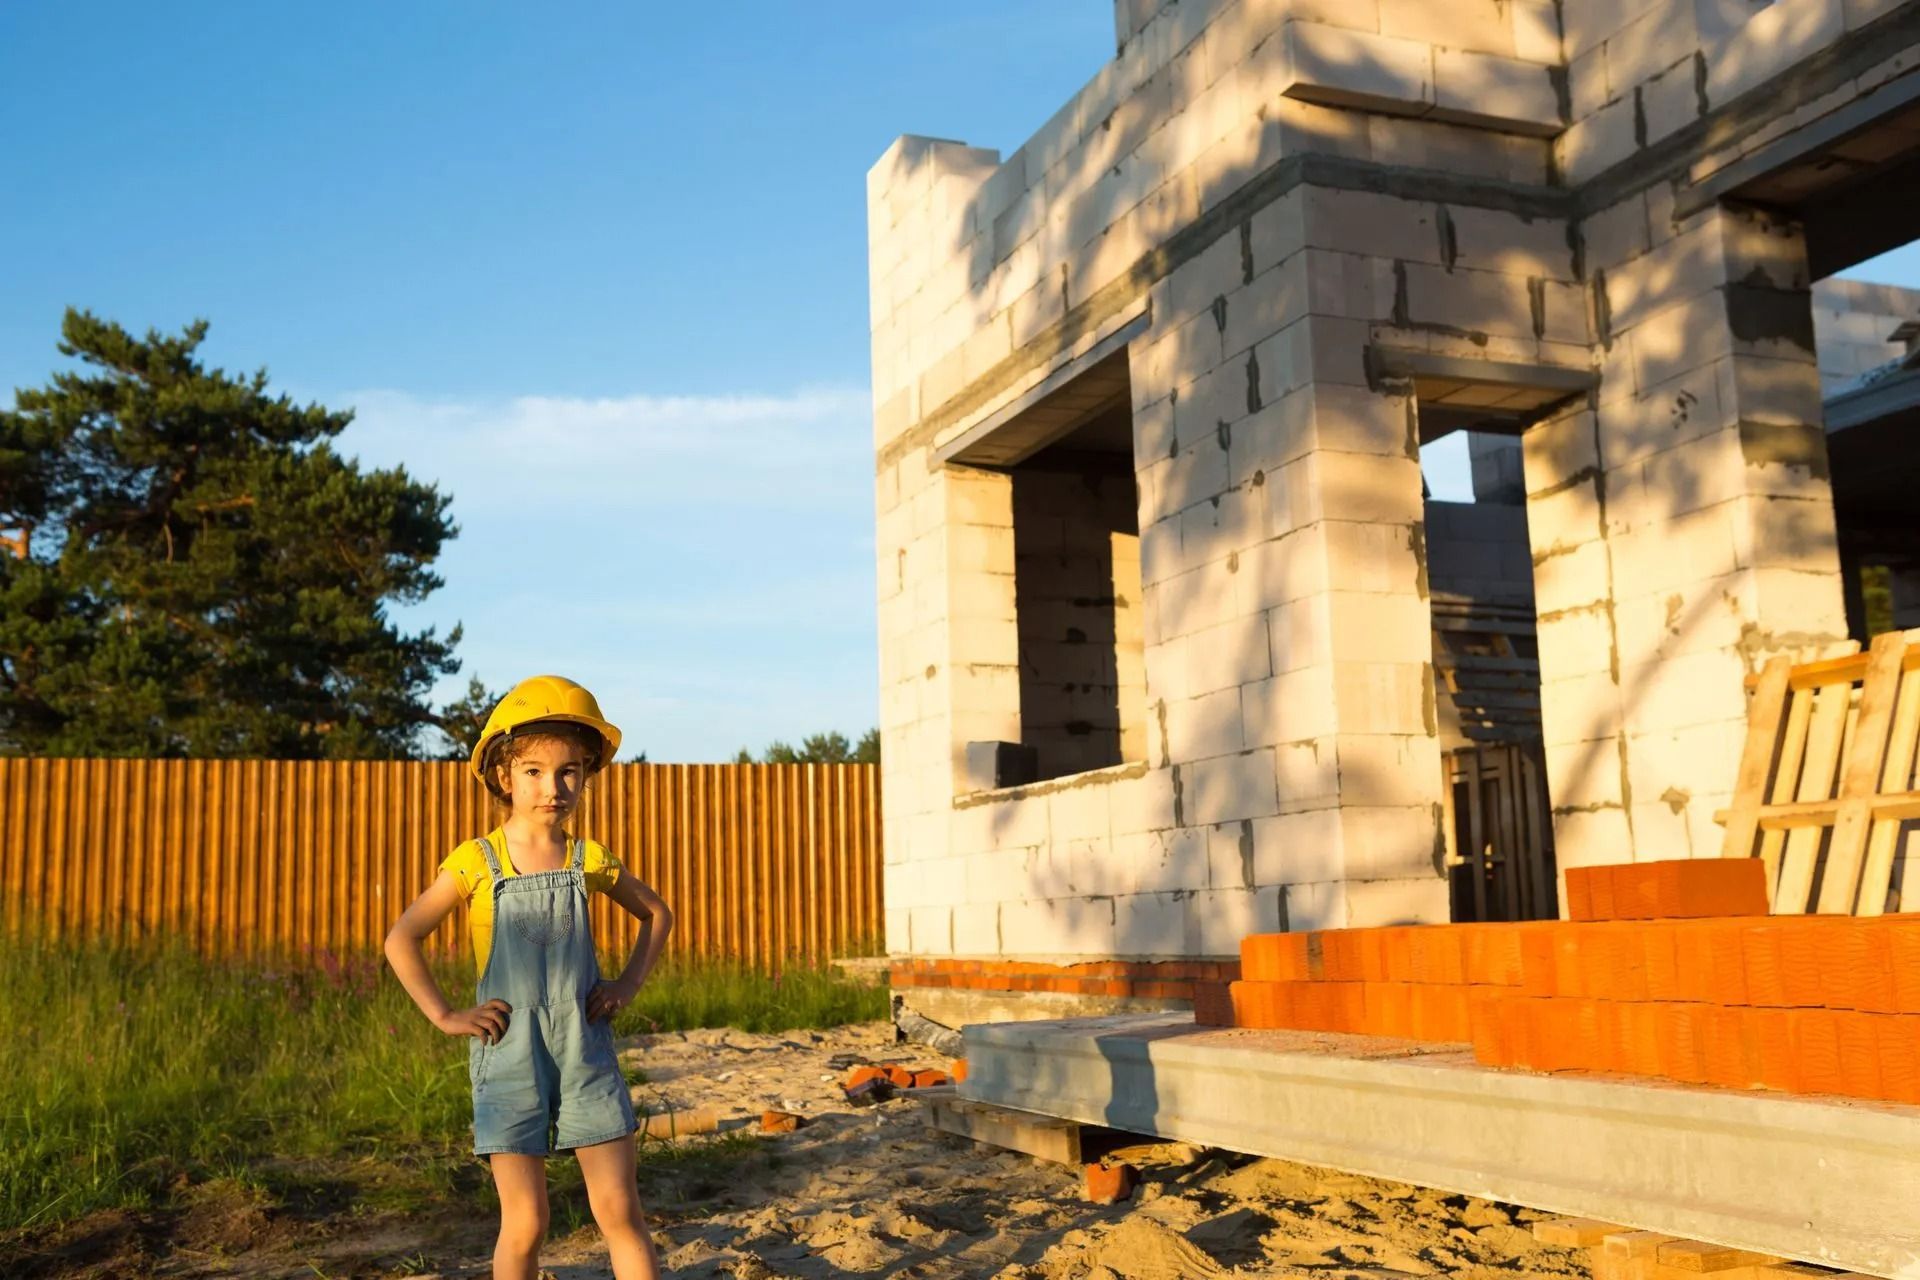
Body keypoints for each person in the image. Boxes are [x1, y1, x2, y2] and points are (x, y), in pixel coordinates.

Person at [385, 675, 674, 1280]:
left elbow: (657, 913)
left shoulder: (588, 859)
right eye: (535, 771)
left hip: (584, 1048)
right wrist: (445, 1015)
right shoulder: (475, 861)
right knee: (526, 1222)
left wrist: (625, 986)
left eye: (570, 771)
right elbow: (402, 938)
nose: (554, 787)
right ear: (502, 777)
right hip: (508, 1054)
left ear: (587, 775)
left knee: (620, 1211)